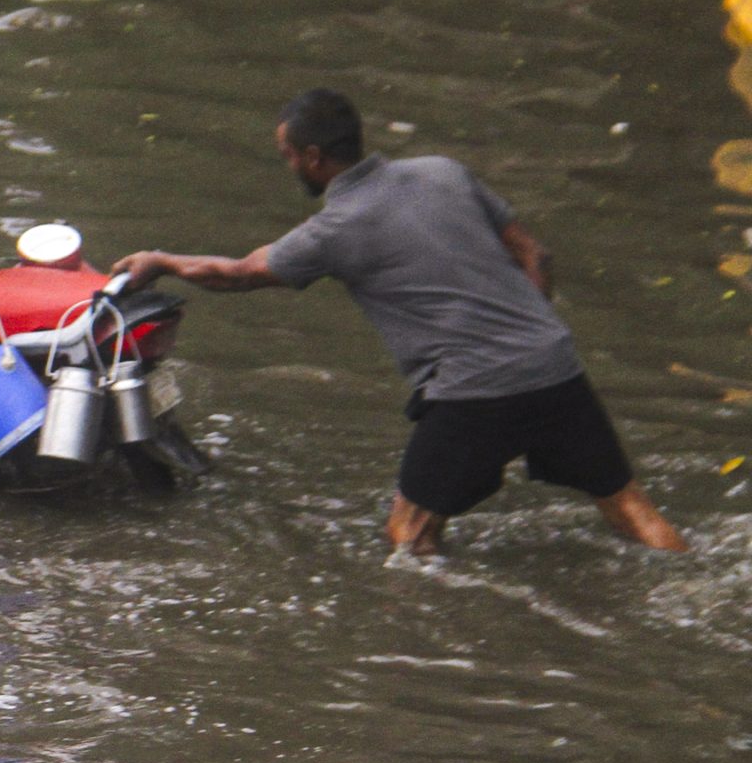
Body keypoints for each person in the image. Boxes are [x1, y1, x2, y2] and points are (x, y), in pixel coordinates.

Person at [112, 89, 685, 555]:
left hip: (472, 388)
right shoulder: (445, 172)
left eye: (288, 156)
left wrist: (161, 262)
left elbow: (236, 275)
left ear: (312, 158)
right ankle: (680, 567)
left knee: (408, 539)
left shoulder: (336, 229)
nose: (290, 166)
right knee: (630, 508)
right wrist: (525, 335)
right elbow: (537, 255)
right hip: (554, 364)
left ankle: (447, 645)